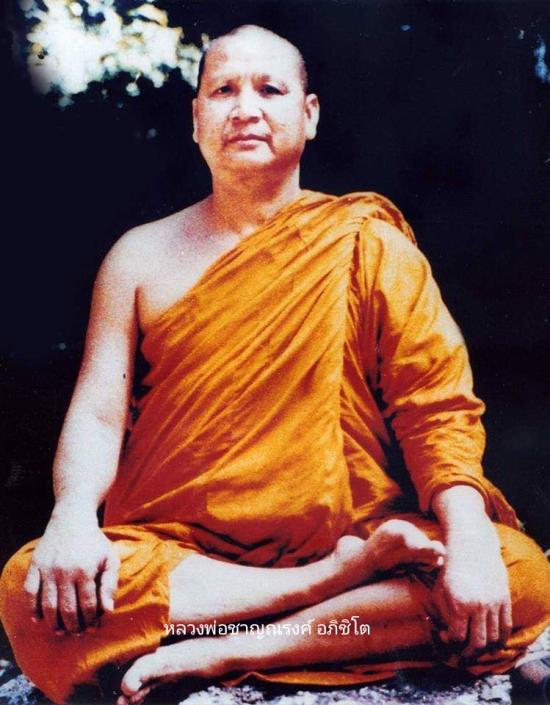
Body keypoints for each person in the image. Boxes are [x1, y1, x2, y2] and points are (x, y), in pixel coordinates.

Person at [1, 24, 549, 705]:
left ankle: (237, 647)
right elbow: (98, 412)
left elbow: (434, 409)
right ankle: (324, 592)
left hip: (341, 537)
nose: (246, 109)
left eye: (270, 89)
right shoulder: (138, 258)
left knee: (519, 575)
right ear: (196, 119)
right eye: (224, 90)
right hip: (193, 559)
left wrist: (469, 541)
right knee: (30, 588)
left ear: (309, 115)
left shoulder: (368, 244)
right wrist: (72, 518)